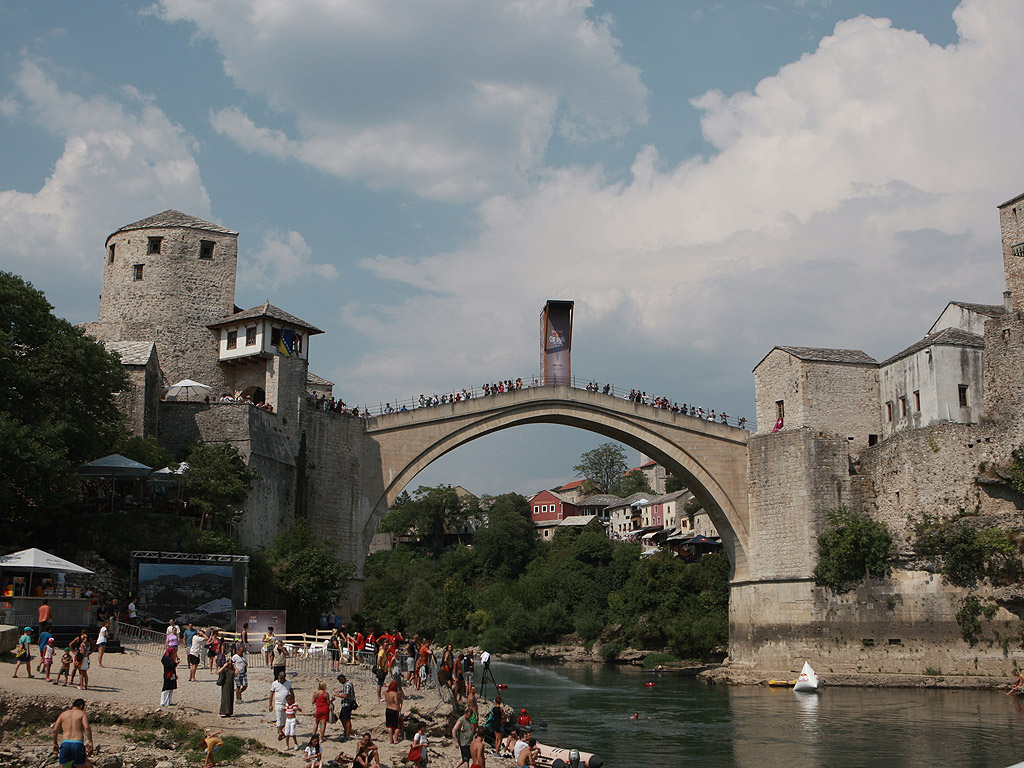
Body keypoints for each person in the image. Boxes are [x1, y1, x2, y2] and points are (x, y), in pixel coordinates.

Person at [52, 698, 94, 768]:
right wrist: (90, 742)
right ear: (81, 706)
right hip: (77, 742)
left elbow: (55, 730)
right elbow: (86, 728)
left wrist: (55, 743)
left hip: (65, 743)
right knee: (80, 765)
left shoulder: (63, 714)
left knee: (63, 765)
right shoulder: (82, 713)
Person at [269, 670, 293, 741]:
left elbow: (292, 692)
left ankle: (280, 730)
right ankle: (280, 733)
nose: (281, 680)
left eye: (282, 678)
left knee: (285, 720)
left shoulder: (288, 683)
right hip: (278, 704)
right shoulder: (274, 684)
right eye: (280, 678)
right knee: (279, 718)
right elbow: (271, 694)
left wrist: (292, 702)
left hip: (287, 704)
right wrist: (270, 704)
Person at [334, 673, 356, 741]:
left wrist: (337, 695)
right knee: (342, 718)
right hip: (346, 704)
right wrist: (341, 691)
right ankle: (346, 731)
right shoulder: (349, 683)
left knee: (347, 720)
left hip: (347, 704)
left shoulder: (347, 685)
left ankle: (347, 735)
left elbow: (345, 695)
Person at [384, 680, 403, 744]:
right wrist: (399, 710)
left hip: (388, 709)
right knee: (397, 726)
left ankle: (390, 740)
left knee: (389, 726)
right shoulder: (394, 693)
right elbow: (396, 702)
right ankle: (395, 739)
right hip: (394, 710)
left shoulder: (386, 693)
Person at [217, 653, 235, 717]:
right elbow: (218, 672)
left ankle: (229, 712)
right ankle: (223, 711)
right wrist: (224, 666)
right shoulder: (225, 669)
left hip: (231, 684)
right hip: (225, 684)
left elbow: (237, 673)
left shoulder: (233, 670)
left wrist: (234, 666)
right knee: (225, 697)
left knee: (230, 697)